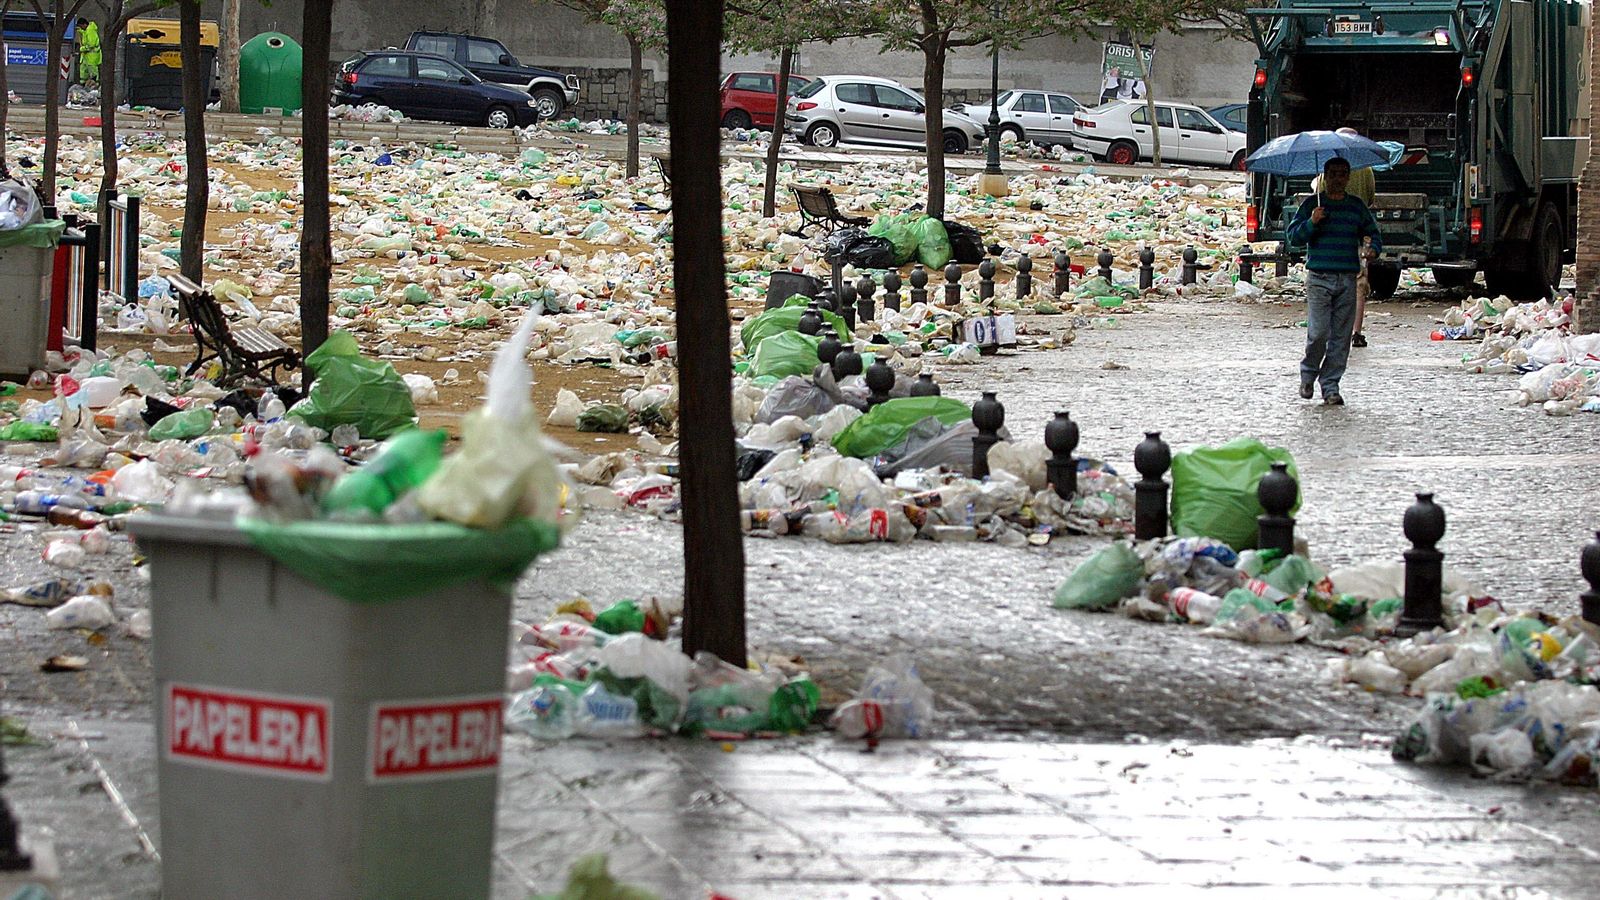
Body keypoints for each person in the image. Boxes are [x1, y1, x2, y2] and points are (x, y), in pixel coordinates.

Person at [1286, 155, 1382, 405]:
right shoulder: (1313, 205)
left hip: (1347, 278)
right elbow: (1293, 237)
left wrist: (1373, 249)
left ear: (1348, 178)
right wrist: (1312, 222)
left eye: (1342, 174)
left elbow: (1373, 234)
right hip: (1319, 278)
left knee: (1340, 338)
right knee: (1318, 333)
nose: (1338, 179)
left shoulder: (1355, 207)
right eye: (1333, 174)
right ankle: (1308, 375)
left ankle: (1330, 386)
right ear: (1325, 178)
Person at [1311, 127, 1377, 346]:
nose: (1338, 179)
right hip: (1355, 242)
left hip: (1337, 247)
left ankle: (1334, 332)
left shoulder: (1327, 169)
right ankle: (1356, 331)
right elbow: (1370, 197)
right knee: (1360, 285)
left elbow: (1320, 190)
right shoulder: (1366, 169)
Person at [76, 18, 101, 87]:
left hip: (92, 57)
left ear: (84, 24)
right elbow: (84, 34)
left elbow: (91, 44)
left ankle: (94, 86)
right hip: (86, 56)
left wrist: (83, 48)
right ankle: (83, 85)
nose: (81, 27)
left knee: (93, 73)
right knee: (84, 71)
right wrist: (80, 31)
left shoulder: (90, 31)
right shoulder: (86, 30)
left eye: (81, 26)